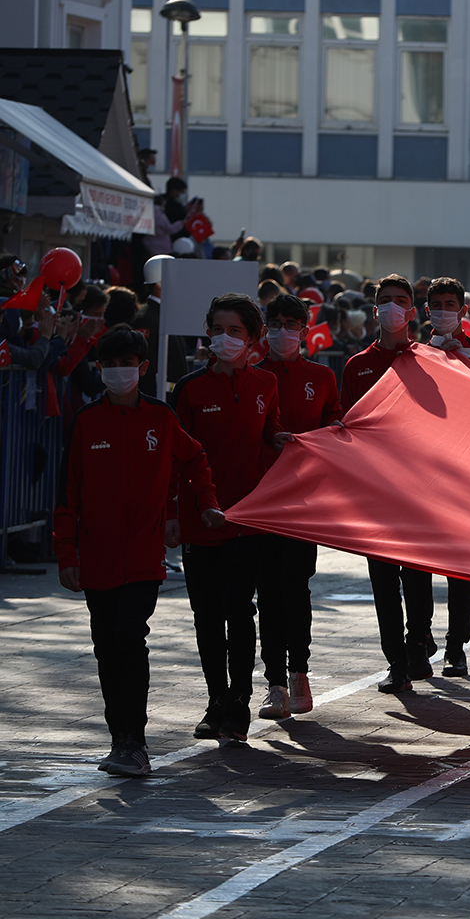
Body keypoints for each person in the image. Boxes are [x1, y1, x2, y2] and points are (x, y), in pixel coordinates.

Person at [54, 325, 225, 777]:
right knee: (106, 646)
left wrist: (204, 504)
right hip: (96, 559)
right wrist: (66, 556)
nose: (118, 372)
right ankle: (118, 739)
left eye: (126, 364)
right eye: (109, 365)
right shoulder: (87, 422)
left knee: (130, 638)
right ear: (100, 369)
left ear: (143, 368)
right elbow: (68, 493)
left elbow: (196, 459)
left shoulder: (161, 418)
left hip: (145, 558)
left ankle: (136, 740)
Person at [172, 293, 291, 742]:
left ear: (253, 338)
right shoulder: (189, 389)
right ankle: (215, 699)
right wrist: (171, 514)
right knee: (206, 615)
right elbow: (174, 455)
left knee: (239, 610)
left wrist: (283, 439)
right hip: (201, 520)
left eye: (235, 331)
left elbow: (269, 431)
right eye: (217, 329)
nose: (225, 339)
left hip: (246, 518)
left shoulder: (265, 384)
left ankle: (238, 701)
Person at [341, 274, 436, 693]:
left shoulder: (432, 361)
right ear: (375, 308)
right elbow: (346, 427)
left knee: (417, 577)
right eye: (386, 301)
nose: (393, 308)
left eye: (401, 301)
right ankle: (396, 661)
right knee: (383, 582)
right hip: (376, 491)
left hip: (421, 490)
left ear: (413, 312)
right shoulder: (357, 365)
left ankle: (419, 643)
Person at [254, 294, 343, 719]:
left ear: (305, 331)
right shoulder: (251, 375)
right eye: (276, 323)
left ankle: (298, 673)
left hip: (304, 501)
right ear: (264, 327)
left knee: (296, 588)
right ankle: (273, 683)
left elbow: (336, 427)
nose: (283, 331)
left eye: (292, 324)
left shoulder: (321, 376)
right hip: (259, 499)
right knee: (266, 592)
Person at [422, 278, 470, 676]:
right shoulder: (412, 353)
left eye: (451, 304)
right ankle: (419, 635)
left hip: (469, 477)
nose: (444, 310)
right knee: (417, 562)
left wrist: (468, 364)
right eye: (437, 304)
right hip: (422, 473)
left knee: (462, 568)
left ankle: (456, 646)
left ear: (462, 310)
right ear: (427, 311)